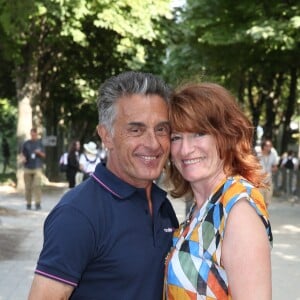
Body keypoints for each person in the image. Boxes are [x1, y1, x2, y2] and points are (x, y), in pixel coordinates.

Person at [28, 71, 179, 299]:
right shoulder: (77, 214)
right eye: (135, 130)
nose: (153, 143)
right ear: (106, 136)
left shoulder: (163, 207)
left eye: (161, 129)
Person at [164, 82, 273, 299]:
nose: (186, 149)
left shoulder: (238, 210)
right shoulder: (204, 207)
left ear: (227, 135)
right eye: (176, 137)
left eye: (199, 134)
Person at [21, 128, 46, 210]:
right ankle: (28, 203)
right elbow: (22, 154)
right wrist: (23, 158)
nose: (33, 136)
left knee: (37, 186)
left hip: (37, 167)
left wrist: (39, 153)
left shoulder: (40, 143)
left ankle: (37, 203)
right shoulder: (26, 143)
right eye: (31, 134)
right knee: (28, 187)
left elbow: (44, 155)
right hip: (27, 167)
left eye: (34, 135)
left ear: (36, 134)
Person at [257, 138, 279, 207]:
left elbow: (275, 166)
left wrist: (274, 169)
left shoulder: (273, 155)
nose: (269, 147)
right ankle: (261, 216)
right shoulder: (258, 155)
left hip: (269, 180)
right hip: (260, 180)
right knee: (260, 200)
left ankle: (264, 215)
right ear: (263, 146)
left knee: (267, 201)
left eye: (270, 146)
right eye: (267, 146)